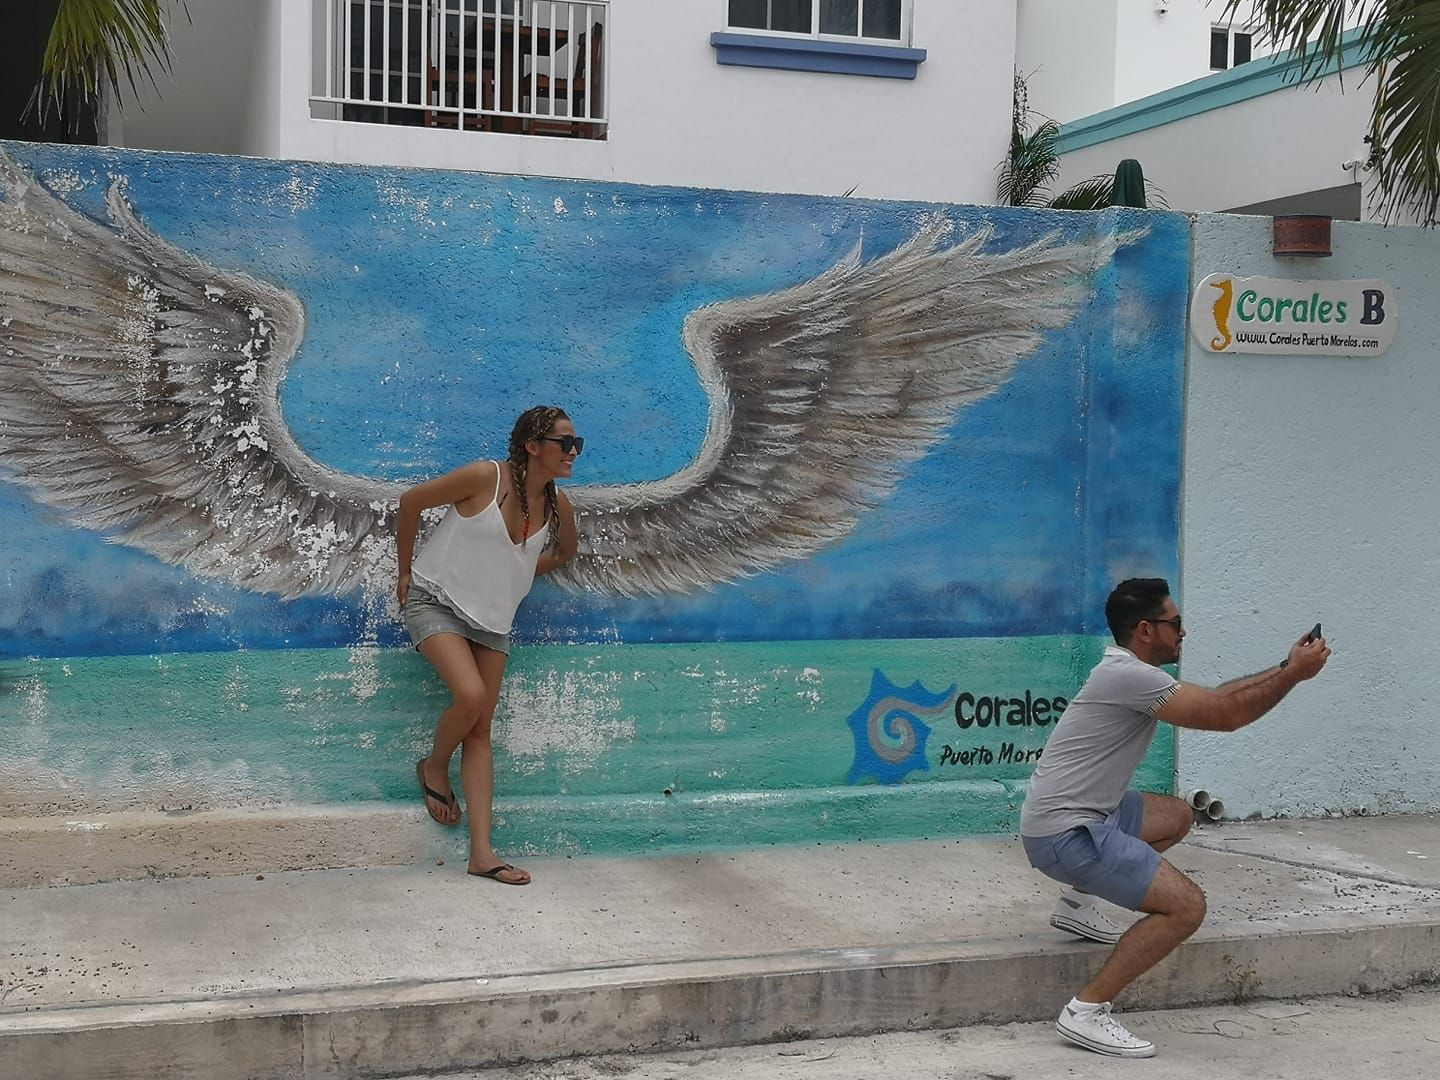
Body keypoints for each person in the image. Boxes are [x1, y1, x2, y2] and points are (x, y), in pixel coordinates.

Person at [1019, 578, 1330, 1058]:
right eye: (1176, 622)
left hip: (1076, 816)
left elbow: (1220, 697)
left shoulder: (1127, 671)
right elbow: (1225, 714)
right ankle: (1086, 1011)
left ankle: (1078, 904)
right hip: (1067, 833)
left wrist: (1288, 666)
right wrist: (1293, 675)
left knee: (1177, 815)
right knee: (1186, 908)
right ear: (1146, 630)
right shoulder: (1130, 677)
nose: (1183, 632)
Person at [396, 405, 581, 885]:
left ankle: (482, 854)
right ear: (532, 446)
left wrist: (516, 573)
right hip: (435, 601)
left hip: (493, 621)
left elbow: (565, 551)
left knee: (480, 731)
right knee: (471, 696)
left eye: (577, 444)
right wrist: (404, 573)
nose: (573, 452)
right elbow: (411, 502)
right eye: (564, 443)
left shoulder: (558, 505)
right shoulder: (486, 478)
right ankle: (434, 767)